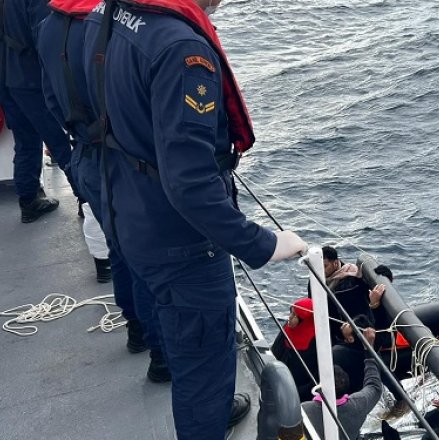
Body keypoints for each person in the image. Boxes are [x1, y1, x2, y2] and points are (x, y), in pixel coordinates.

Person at [82, 1, 308, 438]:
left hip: (128, 209)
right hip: (181, 242)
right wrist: (262, 244)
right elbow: (189, 182)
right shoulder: (182, 49)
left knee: (179, 339)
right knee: (204, 375)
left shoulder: (106, 13)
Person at [34, 0, 170, 382]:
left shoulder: (48, 26)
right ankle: (162, 355)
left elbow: (49, 98)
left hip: (86, 156)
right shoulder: (111, 25)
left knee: (120, 249)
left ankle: (137, 330)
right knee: (149, 257)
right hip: (124, 161)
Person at [0, 0, 75, 223]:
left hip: (2, 71)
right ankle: (87, 200)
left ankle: (29, 200)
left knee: (25, 139)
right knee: (59, 141)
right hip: (29, 76)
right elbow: (45, 36)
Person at [302, 338, 383, 440]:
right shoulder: (358, 404)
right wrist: (369, 350)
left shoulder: (304, 410)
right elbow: (374, 386)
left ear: (319, 387)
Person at [320, 246, 381, 344]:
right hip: (331, 330)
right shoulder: (315, 281)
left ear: (335, 263)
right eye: (319, 267)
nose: (321, 270)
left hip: (354, 332)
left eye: (325, 266)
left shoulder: (353, 279)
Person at [271, 298, 319, 402]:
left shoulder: (315, 342)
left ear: (303, 320)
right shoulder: (287, 329)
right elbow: (275, 350)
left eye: (295, 316)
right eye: (291, 313)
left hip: (299, 391)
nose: (290, 317)